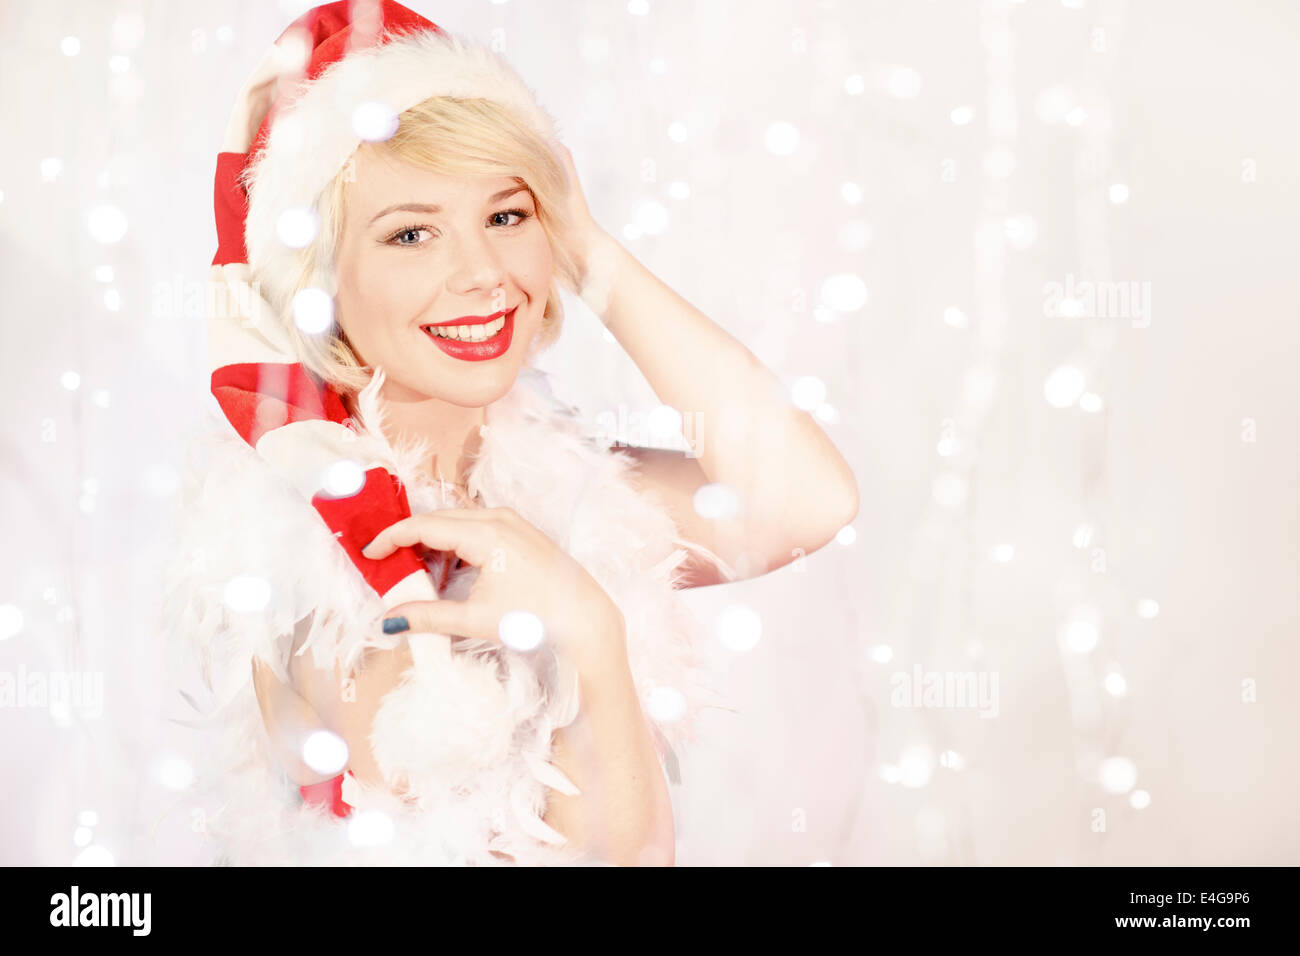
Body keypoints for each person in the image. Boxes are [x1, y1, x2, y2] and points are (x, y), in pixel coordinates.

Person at [161, 0, 859, 867]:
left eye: (507, 216)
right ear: (315, 281)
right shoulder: (324, 561)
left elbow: (805, 502)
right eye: (411, 233)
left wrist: (589, 251)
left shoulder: (537, 477)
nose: (484, 274)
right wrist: (585, 633)